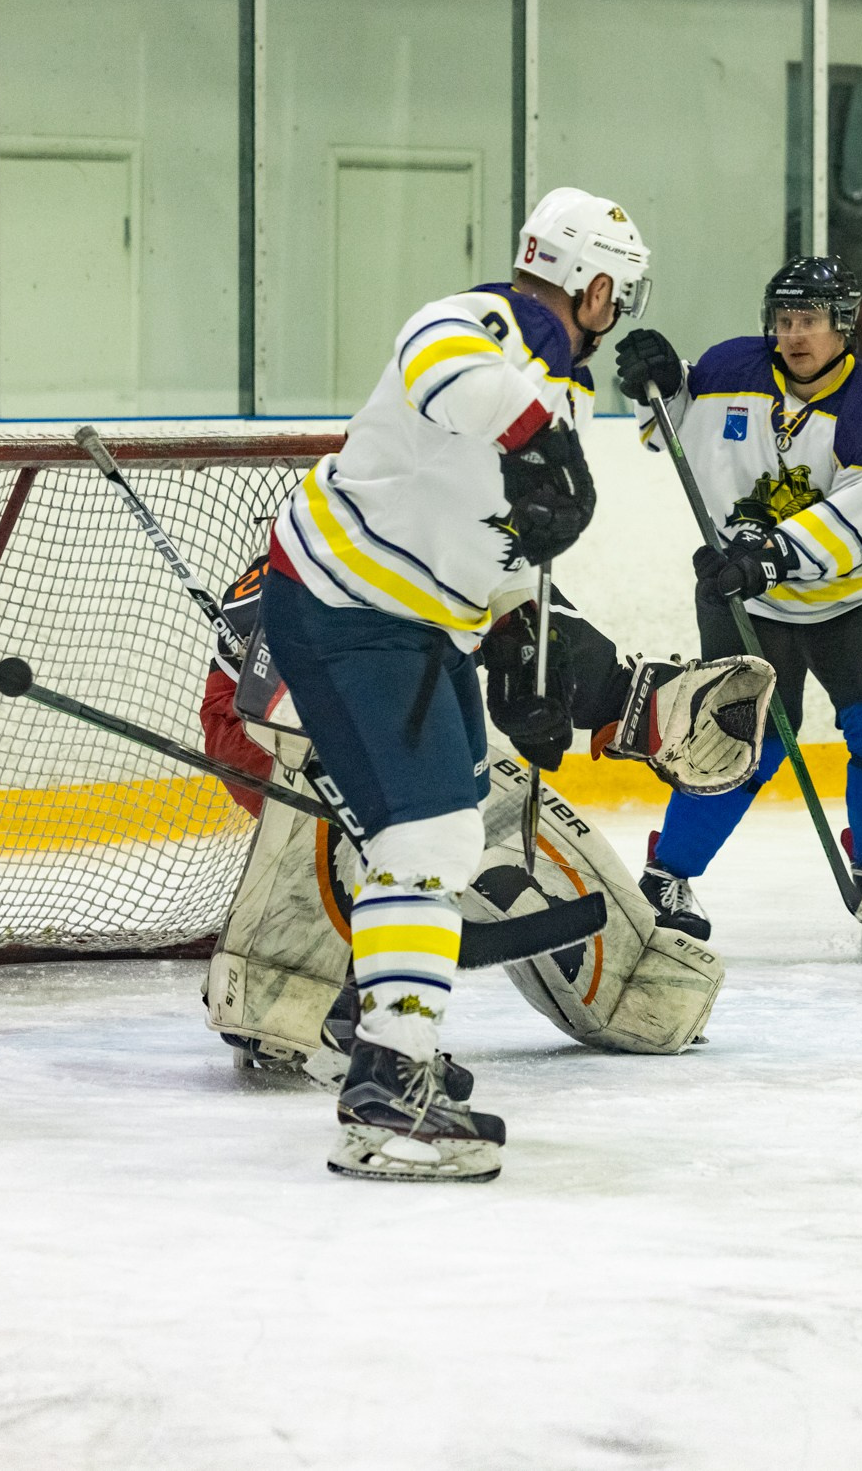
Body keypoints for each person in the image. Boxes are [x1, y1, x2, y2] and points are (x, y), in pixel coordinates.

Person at [258, 186, 649, 1182]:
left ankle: (371, 1012)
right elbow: (445, 375)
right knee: (424, 837)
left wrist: (521, 627)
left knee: (444, 824)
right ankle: (388, 1095)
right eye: (621, 290)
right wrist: (541, 439)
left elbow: (500, 528)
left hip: (420, 625)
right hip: (348, 609)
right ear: (594, 284)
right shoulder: (472, 321)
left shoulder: (565, 387)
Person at [198, 554, 770, 1081]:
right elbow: (279, 685)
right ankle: (300, 991)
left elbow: (542, 631)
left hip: (412, 718)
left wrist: (628, 702)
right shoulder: (346, 531)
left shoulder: (478, 529)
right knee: (371, 817)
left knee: (512, 829)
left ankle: (633, 989)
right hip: (269, 723)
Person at [613, 256, 862, 958]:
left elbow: (856, 524)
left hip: (851, 595)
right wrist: (657, 386)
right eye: (785, 319)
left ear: (843, 327)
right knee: (738, 744)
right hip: (742, 596)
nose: (794, 334)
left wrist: (767, 556)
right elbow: (663, 427)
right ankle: (667, 875)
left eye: (811, 321)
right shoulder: (733, 367)